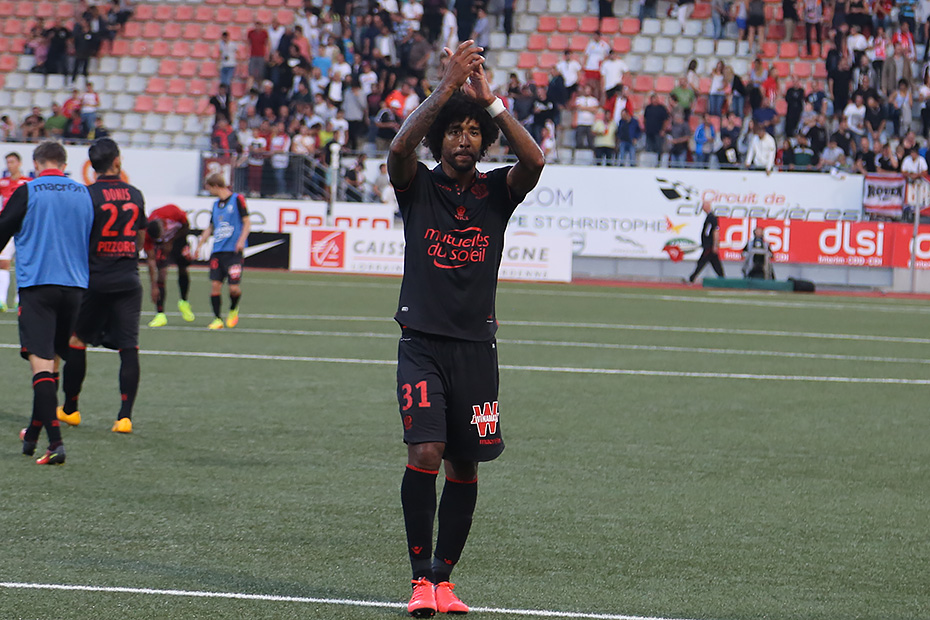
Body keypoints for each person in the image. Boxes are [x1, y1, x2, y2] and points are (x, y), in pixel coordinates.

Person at [387, 39, 544, 617]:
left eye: (474, 131)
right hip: (422, 343)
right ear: (440, 139)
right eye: (453, 131)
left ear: (485, 140)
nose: (463, 139)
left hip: (477, 347)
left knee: (465, 463)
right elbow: (399, 148)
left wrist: (490, 100)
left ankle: (444, 581)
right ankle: (418, 580)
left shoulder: (497, 192)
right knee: (425, 450)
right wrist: (446, 89)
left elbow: (535, 163)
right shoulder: (418, 186)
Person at [0, 141, 94, 465]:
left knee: (40, 365)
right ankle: (32, 434)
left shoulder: (28, 190)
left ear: (37, 163)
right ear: (64, 164)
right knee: (52, 365)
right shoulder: (83, 193)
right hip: (75, 287)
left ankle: (55, 444)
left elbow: (2, 231)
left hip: (38, 286)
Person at [58, 139, 146, 434]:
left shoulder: (87, 195)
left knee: (77, 340)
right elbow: (140, 239)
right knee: (129, 346)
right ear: (117, 162)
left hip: (94, 279)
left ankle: (70, 409)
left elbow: (77, 238)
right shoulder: (135, 194)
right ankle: (124, 417)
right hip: (128, 279)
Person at [198, 173, 250, 330]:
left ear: (215, 186)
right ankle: (217, 319)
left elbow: (247, 222)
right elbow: (211, 226)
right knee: (215, 285)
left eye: (209, 188)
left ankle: (233, 309)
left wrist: (241, 240)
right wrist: (200, 244)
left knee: (234, 289)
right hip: (218, 251)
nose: (209, 192)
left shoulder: (237, 199)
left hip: (233, 252)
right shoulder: (215, 205)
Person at [145, 203, 195, 327]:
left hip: (178, 238)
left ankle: (184, 302)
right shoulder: (148, 234)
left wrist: (171, 241)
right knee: (161, 275)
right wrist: (153, 286)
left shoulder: (173, 212)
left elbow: (186, 227)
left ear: (163, 225)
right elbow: (151, 260)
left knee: (183, 268)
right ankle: (160, 314)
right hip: (162, 246)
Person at [0, 152, 29, 311]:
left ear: (19, 163)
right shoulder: (3, 182)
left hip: (25, 226)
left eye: (12, 162)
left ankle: (20, 299)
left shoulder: (27, 183)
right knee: (3, 262)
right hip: (8, 226)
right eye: (8, 162)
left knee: (23, 262)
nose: (9, 165)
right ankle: (2, 299)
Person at [688, 200, 724, 282]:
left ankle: (692, 278)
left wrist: (715, 245)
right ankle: (722, 277)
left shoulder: (712, 218)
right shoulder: (709, 217)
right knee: (715, 263)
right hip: (708, 245)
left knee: (702, 262)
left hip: (709, 245)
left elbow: (715, 231)